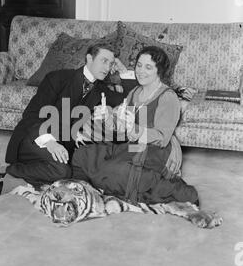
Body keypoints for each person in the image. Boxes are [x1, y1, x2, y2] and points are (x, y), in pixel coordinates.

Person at [0, 42, 126, 197]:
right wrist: (49, 142)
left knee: (82, 173)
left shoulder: (99, 89)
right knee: (62, 171)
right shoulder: (58, 78)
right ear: (89, 59)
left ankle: (25, 178)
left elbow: (125, 98)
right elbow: (32, 115)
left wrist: (122, 72)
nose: (107, 68)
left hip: (63, 144)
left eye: (110, 63)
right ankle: (8, 170)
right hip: (33, 137)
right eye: (104, 61)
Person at [72, 46, 199, 205]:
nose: (141, 71)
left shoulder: (168, 97)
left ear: (159, 71)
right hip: (132, 145)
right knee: (82, 154)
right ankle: (107, 181)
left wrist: (133, 129)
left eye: (148, 67)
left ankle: (171, 188)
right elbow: (120, 127)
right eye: (139, 65)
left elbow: (162, 138)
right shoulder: (135, 92)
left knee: (113, 170)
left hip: (157, 149)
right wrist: (106, 117)